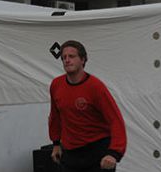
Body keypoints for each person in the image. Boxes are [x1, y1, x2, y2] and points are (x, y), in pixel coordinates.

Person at [48, 40, 126, 171]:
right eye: (64, 57)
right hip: (70, 152)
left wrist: (114, 153)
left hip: (97, 151)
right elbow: (55, 116)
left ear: (83, 60)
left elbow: (115, 120)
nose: (67, 60)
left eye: (72, 56)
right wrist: (56, 143)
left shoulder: (95, 87)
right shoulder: (56, 85)